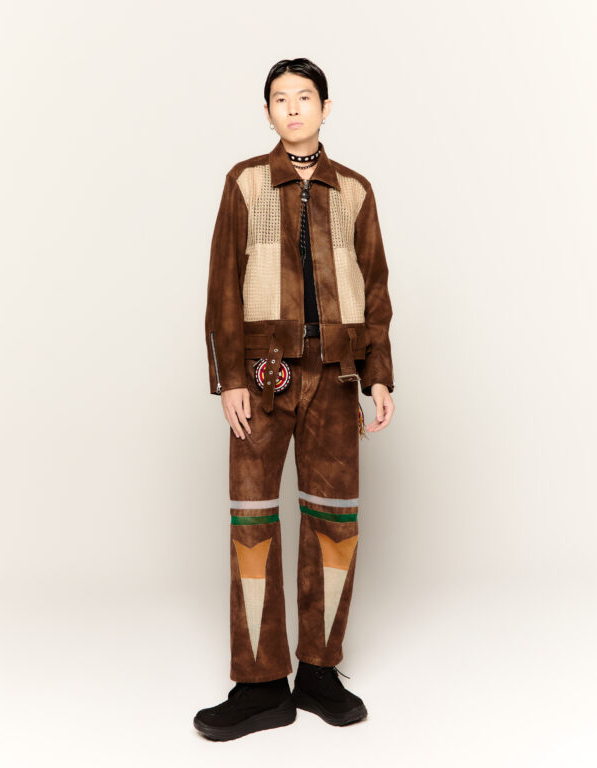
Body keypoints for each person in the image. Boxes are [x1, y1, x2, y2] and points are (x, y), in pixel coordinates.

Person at [193, 57, 395, 741]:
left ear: (325, 107)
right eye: (280, 99)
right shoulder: (245, 182)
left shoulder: (355, 191)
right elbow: (223, 284)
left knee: (335, 521)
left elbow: (375, 288)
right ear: (268, 112)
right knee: (252, 523)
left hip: (336, 378)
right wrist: (229, 378)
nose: (293, 108)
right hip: (261, 376)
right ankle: (259, 685)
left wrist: (377, 374)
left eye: (304, 97)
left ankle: (319, 671)